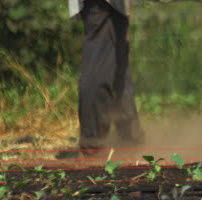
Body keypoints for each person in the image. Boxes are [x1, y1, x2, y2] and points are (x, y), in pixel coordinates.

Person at [59, 0, 144, 159]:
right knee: (99, 66)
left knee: (118, 68)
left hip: (110, 6)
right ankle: (94, 145)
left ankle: (130, 140)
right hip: (102, 4)